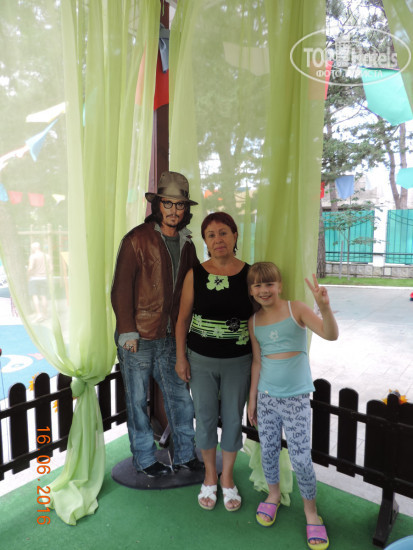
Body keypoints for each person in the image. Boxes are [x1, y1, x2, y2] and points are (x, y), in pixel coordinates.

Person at [111, 171, 204, 478]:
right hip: (137, 338)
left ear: (185, 209)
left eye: (180, 205)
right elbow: (121, 288)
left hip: (171, 338)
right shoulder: (136, 239)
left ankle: (186, 454)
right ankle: (144, 458)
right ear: (158, 204)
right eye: (168, 203)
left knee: (181, 399)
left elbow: (193, 287)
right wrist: (127, 330)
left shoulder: (187, 243)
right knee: (137, 401)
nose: (174, 210)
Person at [247, 262, 338, 550]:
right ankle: (273, 494)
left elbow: (330, 334)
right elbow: (257, 361)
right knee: (268, 450)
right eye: (258, 285)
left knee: (300, 458)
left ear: (280, 285)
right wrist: (252, 398)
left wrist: (324, 308)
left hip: (296, 399)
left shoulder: (295, 308)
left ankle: (311, 512)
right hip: (266, 398)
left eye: (269, 284)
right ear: (251, 290)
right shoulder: (253, 321)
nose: (264, 290)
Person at [175, 212, 253, 512]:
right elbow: (182, 320)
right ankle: (210, 475)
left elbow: (258, 318)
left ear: (235, 236)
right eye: (211, 235)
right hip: (201, 360)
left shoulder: (250, 274)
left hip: (239, 360)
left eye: (223, 233)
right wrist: (181, 357)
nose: (218, 239)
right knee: (205, 417)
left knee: (233, 418)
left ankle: (228, 477)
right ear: (205, 242)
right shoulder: (195, 274)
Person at [27, 242, 52, 322]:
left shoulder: (33, 256)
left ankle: (39, 314)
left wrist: (28, 275)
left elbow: (30, 268)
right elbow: (51, 269)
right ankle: (45, 314)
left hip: (34, 278)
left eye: (32, 248)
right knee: (43, 296)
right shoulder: (47, 256)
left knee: (35, 296)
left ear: (34, 248)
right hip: (44, 278)